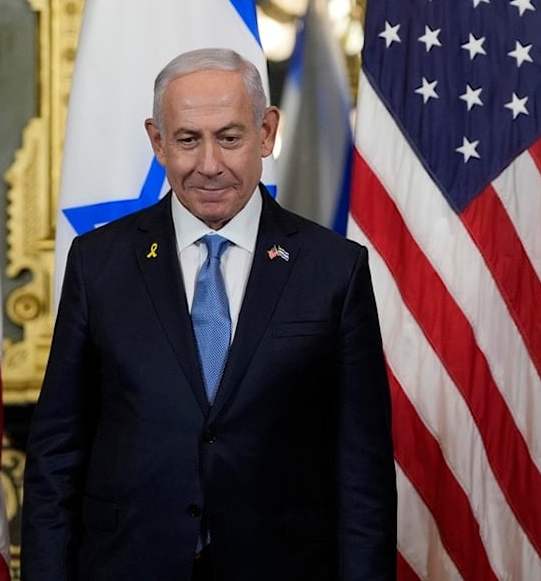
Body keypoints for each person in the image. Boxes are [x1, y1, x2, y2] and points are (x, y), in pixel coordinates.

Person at [21, 48, 396, 580]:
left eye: (230, 137)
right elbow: (57, 453)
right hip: (128, 564)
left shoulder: (333, 268)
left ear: (266, 134)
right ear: (158, 142)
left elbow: (363, 472)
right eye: (188, 140)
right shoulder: (99, 262)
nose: (210, 165)